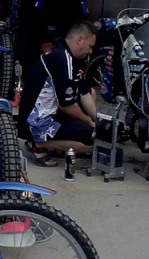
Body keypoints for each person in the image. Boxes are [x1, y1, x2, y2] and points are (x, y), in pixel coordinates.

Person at [18, 20, 98, 166]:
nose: (90, 51)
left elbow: (84, 93)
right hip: (36, 121)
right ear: (80, 40)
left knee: (92, 93)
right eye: (90, 46)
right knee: (91, 139)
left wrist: (98, 120)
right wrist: (89, 122)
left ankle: (56, 144)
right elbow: (66, 106)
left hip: (52, 110)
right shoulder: (61, 59)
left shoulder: (69, 56)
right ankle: (39, 144)